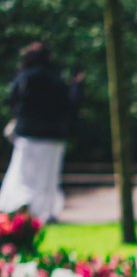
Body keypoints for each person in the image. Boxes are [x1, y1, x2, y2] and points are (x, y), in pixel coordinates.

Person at [0, 43, 83, 223]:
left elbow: (13, 101)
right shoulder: (55, 79)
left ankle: (18, 206)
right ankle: (45, 210)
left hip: (28, 133)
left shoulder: (24, 78)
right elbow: (69, 105)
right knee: (48, 177)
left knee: (23, 174)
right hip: (52, 135)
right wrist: (77, 85)